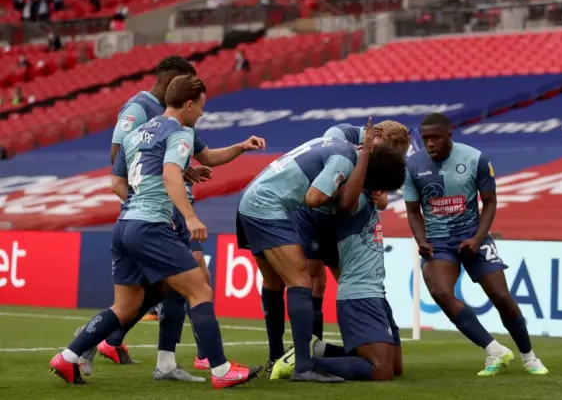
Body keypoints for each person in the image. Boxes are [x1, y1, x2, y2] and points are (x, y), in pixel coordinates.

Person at [51, 75, 262, 389]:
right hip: (152, 226)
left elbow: (116, 184)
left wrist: (242, 147)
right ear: (189, 104)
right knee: (200, 290)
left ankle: (68, 358)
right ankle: (220, 371)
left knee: (125, 307)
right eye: (201, 107)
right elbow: (170, 173)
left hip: (124, 226)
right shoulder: (181, 132)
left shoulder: (136, 135)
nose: (202, 114)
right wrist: (189, 217)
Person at [236, 119, 394, 382]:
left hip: (252, 199)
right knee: (300, 280)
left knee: (274, 283)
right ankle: (303, 366)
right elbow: (313, 198)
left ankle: (277, 356)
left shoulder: (337, 142)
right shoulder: (345, 157)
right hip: (267, 206)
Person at [403, 112, 549, 376]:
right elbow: (413, 210)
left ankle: (529, 357)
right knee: (441, 293)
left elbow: (489, 202)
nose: (430, 143)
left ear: (449, 135)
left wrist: (477, 238)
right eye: (426, 139)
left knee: (501, 296)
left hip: (473, 235)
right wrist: (421, 241)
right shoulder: (413, 166)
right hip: (438, 242)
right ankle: (494, 350)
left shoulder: (475, 158)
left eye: (436, 138)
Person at [274, 151, 407, 381]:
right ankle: (304, 361)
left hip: (376, 292)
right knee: (380, 370)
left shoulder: (369, 196)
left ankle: (318, 349)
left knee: (395, 367)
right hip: (359, 294)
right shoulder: (353, 200)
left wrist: (382, 198)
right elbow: (346, 199)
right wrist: (365, 154)